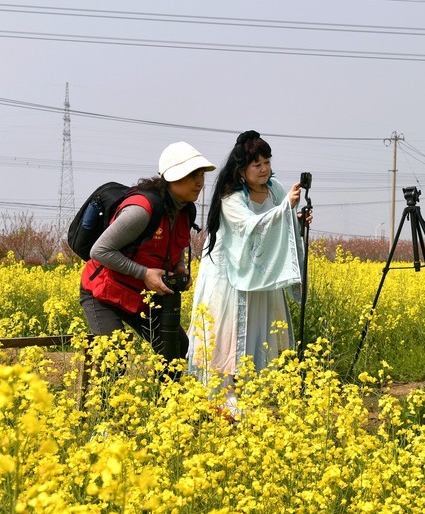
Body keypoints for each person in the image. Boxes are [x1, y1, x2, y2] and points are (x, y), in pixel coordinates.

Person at [187, 131, 309, 404]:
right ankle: (222, 397)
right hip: (231, 275)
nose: (264, 169)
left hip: (264, 272)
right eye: (257, 164)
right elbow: (247, 226)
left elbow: (281, 225)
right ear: (242, 170)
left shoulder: (275, 188)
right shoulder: (231, 196)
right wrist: (284, 210)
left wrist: (296, 217)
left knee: (261, 329)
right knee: (227, 332)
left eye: (267, 162)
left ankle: (256, 392)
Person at [80, 142, 215, 372]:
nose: (200, 182)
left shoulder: (184, 210)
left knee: (176, 350)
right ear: (173, 177)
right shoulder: (142, 210)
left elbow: (176, 245)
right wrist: (144, 273)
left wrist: (179, 266)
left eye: (202, 174)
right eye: (193, 175)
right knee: (115, 357)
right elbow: (99, 251)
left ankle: (166, 405)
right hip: (104, 292)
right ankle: (104, 407)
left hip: (142, 296)